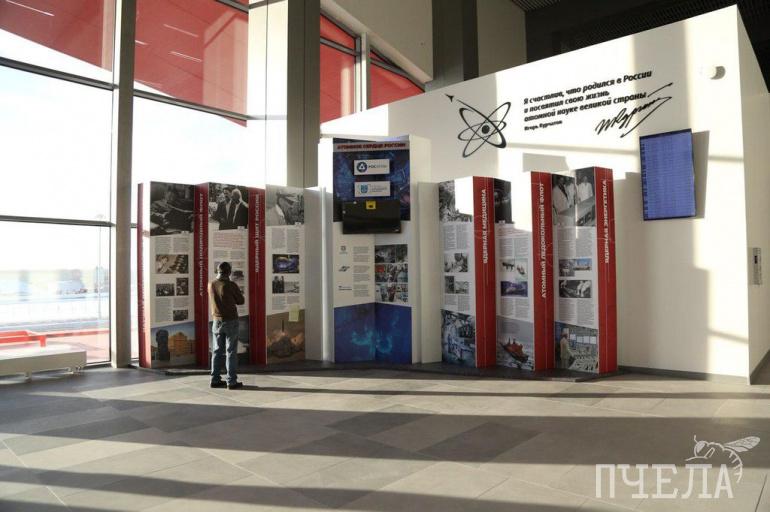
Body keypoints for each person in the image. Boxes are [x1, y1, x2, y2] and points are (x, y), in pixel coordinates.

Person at [208, 261, 245, 389]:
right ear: (229, 272)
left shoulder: (211, 284)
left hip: (216, 321)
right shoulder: (231, 285)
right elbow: (241, 301)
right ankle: (231, 381)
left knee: (217, 351)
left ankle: (215, 379)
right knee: (231, 352)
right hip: (230, 321)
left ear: (218, 271)